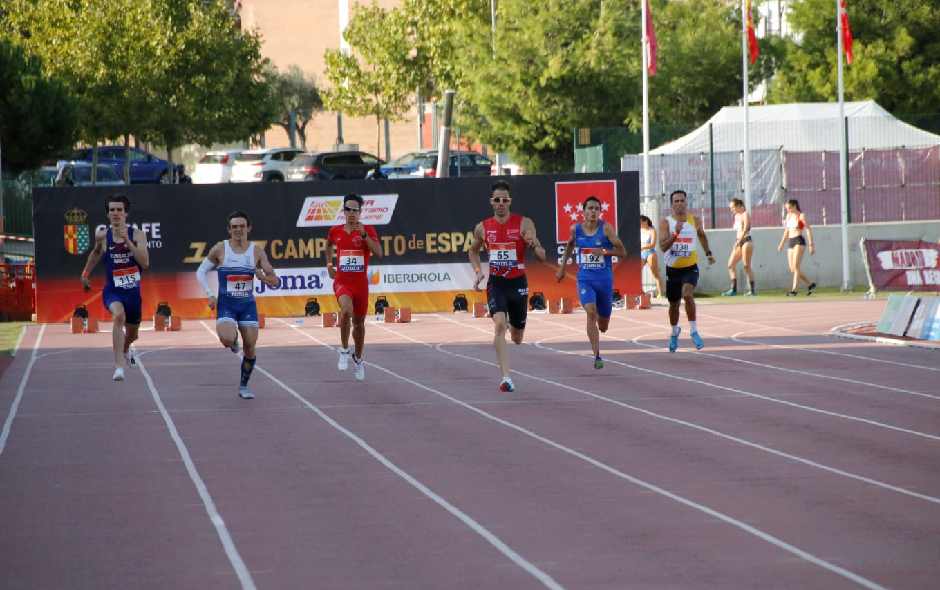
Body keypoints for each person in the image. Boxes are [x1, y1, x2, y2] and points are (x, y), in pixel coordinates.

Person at [469, 180, 546, 392]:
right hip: (497, 283)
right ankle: (506, 377)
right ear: (491, 202)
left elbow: (542, 256)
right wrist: (478, 273)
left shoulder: (524, 224)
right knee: (500, 325)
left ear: (510, 201)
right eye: (497, 200)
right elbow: (473, 251)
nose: (501, 203)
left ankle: (516, 324)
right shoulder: (482, 228)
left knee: (517, 337)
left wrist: (533, 243)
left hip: (518, 283)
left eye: (504, 200)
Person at [196, 211, 280, 399]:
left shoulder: (257, 252)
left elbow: (276, 281)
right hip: (226, 305)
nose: (238, 230)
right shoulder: (220, 248)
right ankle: (233, 342)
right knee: (226, 339)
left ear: (248, 228)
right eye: (234, 227)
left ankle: (244, 385)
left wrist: (264, 278)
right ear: (229, 230)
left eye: (242, 226)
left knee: (250, 346)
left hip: (247, 307)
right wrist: (210, 294)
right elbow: (201, 271)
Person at [80, 194, 150, 381]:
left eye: (119, 209)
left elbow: (145, 264)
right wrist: (85, 273)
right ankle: (119, 367)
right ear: (108, 214)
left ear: (126, 213)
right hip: (113, 291)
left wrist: (127, 241)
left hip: (133, 294)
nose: (116, 213)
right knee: (118, 316)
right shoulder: (103, 236)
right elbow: (95, 254)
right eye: (112, 210)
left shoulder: (138, 235)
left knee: (133, 335)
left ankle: (126, 348)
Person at [555, 196, 627, 369]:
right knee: (591, 312)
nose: (593, 212)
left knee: (603, 325)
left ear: (600, 212)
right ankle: (597, 355)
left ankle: (601, 330)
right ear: (584, 211)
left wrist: (603, 251)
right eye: (590, 208)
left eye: (596, 209)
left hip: (604, 281)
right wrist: (562, 268)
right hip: (585, 279)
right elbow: (570, 246)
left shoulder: (606, 229)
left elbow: (623, 252)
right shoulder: (576, 229)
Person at [325, 193, 382, 380]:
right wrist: (329, 264)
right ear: (343, 210)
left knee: (359, 324)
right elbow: (328, 246)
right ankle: (343, 350)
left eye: (354, 210)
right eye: (347, 209)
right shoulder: (335, 231)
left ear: (360, 212)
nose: (351, 213)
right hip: (342, 282)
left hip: (360, 285)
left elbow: (379, 253)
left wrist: (364, 235)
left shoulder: (368, 230)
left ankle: (358, 358)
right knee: (346, 311)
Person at [658, 189, 715, 353]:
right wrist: (675, 233)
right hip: (672, 270)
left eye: (682, 200)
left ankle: (694, 330)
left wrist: (708, 253)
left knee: (688, 294)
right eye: (676, 201)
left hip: (690, 268)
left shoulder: (694, 220)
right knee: (674, 305)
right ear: (671, 205)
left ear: (686, 202)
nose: (679, 204)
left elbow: (702, 235)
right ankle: (675, 331)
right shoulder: (666, 222)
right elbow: (662, 247)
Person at [777, 199, 816, 296]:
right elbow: (787, 231)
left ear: (794, 206)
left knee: (796, 266)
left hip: (799, 240)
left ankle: (794, 290)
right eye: (787, 208)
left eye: (789, 208)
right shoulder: (789, 216)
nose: (788, 210)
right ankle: (810, 284)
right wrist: (781, 243)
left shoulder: (800, 216)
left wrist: (811, 244)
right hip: (791, 241)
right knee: (792, 269)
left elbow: (808, 229)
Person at [723, 198, 756, 296]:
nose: (731, 209)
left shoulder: (745, 214)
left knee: (746, 266)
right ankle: (733, 289)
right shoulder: (736, 216)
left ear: (738, 206)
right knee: (730, 264)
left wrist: (740, 240)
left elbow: (746, 228)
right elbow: (738, 230)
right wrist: (737, 242)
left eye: (733, 207)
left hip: (746, 241)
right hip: (739, 242)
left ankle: (752, 290)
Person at [639, 215, 664, 299]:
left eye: (641, 222)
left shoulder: (652, 230)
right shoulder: (639, 230)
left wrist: (643, 247)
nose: (639, 224)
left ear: (645, 221)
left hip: (650, 253)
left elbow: (652, 244)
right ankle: (640, 291)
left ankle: (660, 293)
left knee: (655, 273)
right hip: (641, 253)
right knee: (637, 273)